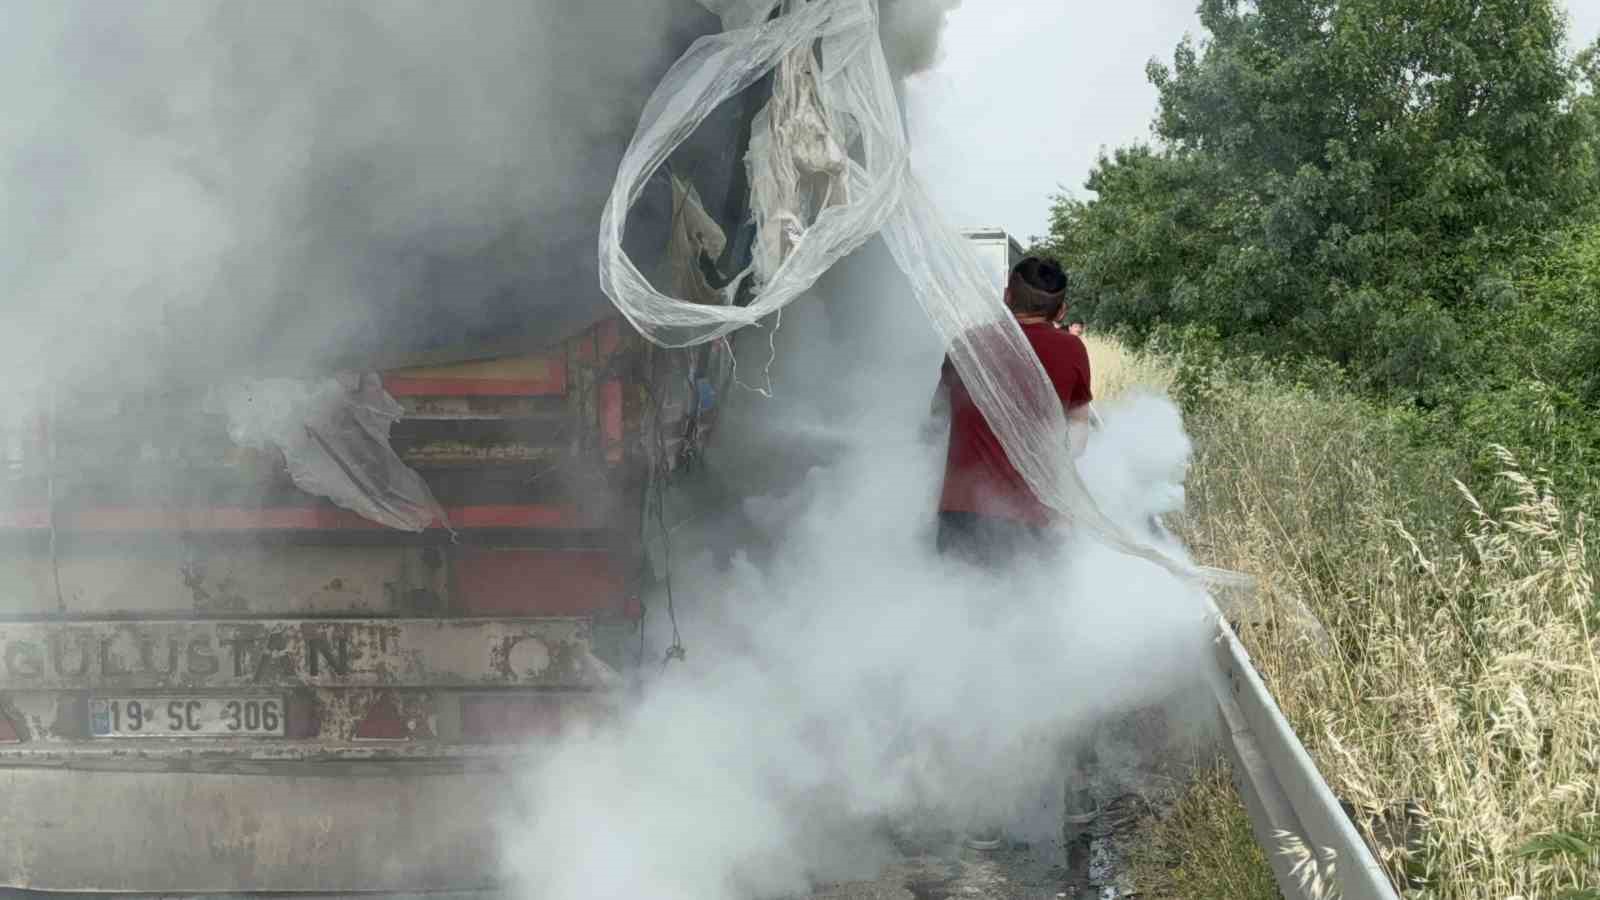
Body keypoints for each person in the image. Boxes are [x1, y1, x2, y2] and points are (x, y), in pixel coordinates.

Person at [930, 256, 1093, 570]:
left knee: (953, 612)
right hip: (1034, 517)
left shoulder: (966, 344)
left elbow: (936, 420)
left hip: (961, 514)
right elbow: (1079, 437)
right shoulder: (1072, 350)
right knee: (1023, 614)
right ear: (1061, 311)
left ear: (1006, 296)